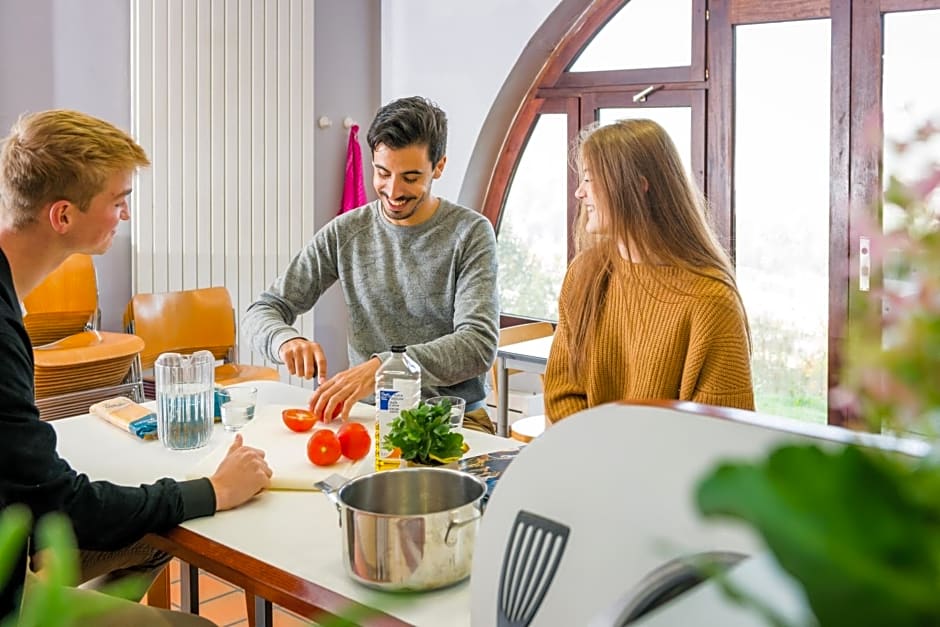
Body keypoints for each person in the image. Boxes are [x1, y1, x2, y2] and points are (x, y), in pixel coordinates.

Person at [0, 109, 273, 624]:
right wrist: (213, 490)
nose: (124, 215)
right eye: (118, 201)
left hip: (21, 538)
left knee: (153, 541)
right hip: (8, 588)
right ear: (63, 216)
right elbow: (61, 505)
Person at [244, 96, 499, 433]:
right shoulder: (346, 232)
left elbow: (478, 344)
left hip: (455, 420)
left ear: (438, 166)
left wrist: (385, 367)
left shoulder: (470, 233)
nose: (393, 191)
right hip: (369, 417)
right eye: (382, 173)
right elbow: (263, 310)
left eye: (411, 177)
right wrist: (284, 340)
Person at [544, 119, 754, 422]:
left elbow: (717, 435)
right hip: (588, 462)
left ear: (638, 187)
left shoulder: (710, 300)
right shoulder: (584, 273)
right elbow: (562, 391)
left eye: (590, 179)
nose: (579, 193)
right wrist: (593, 457)